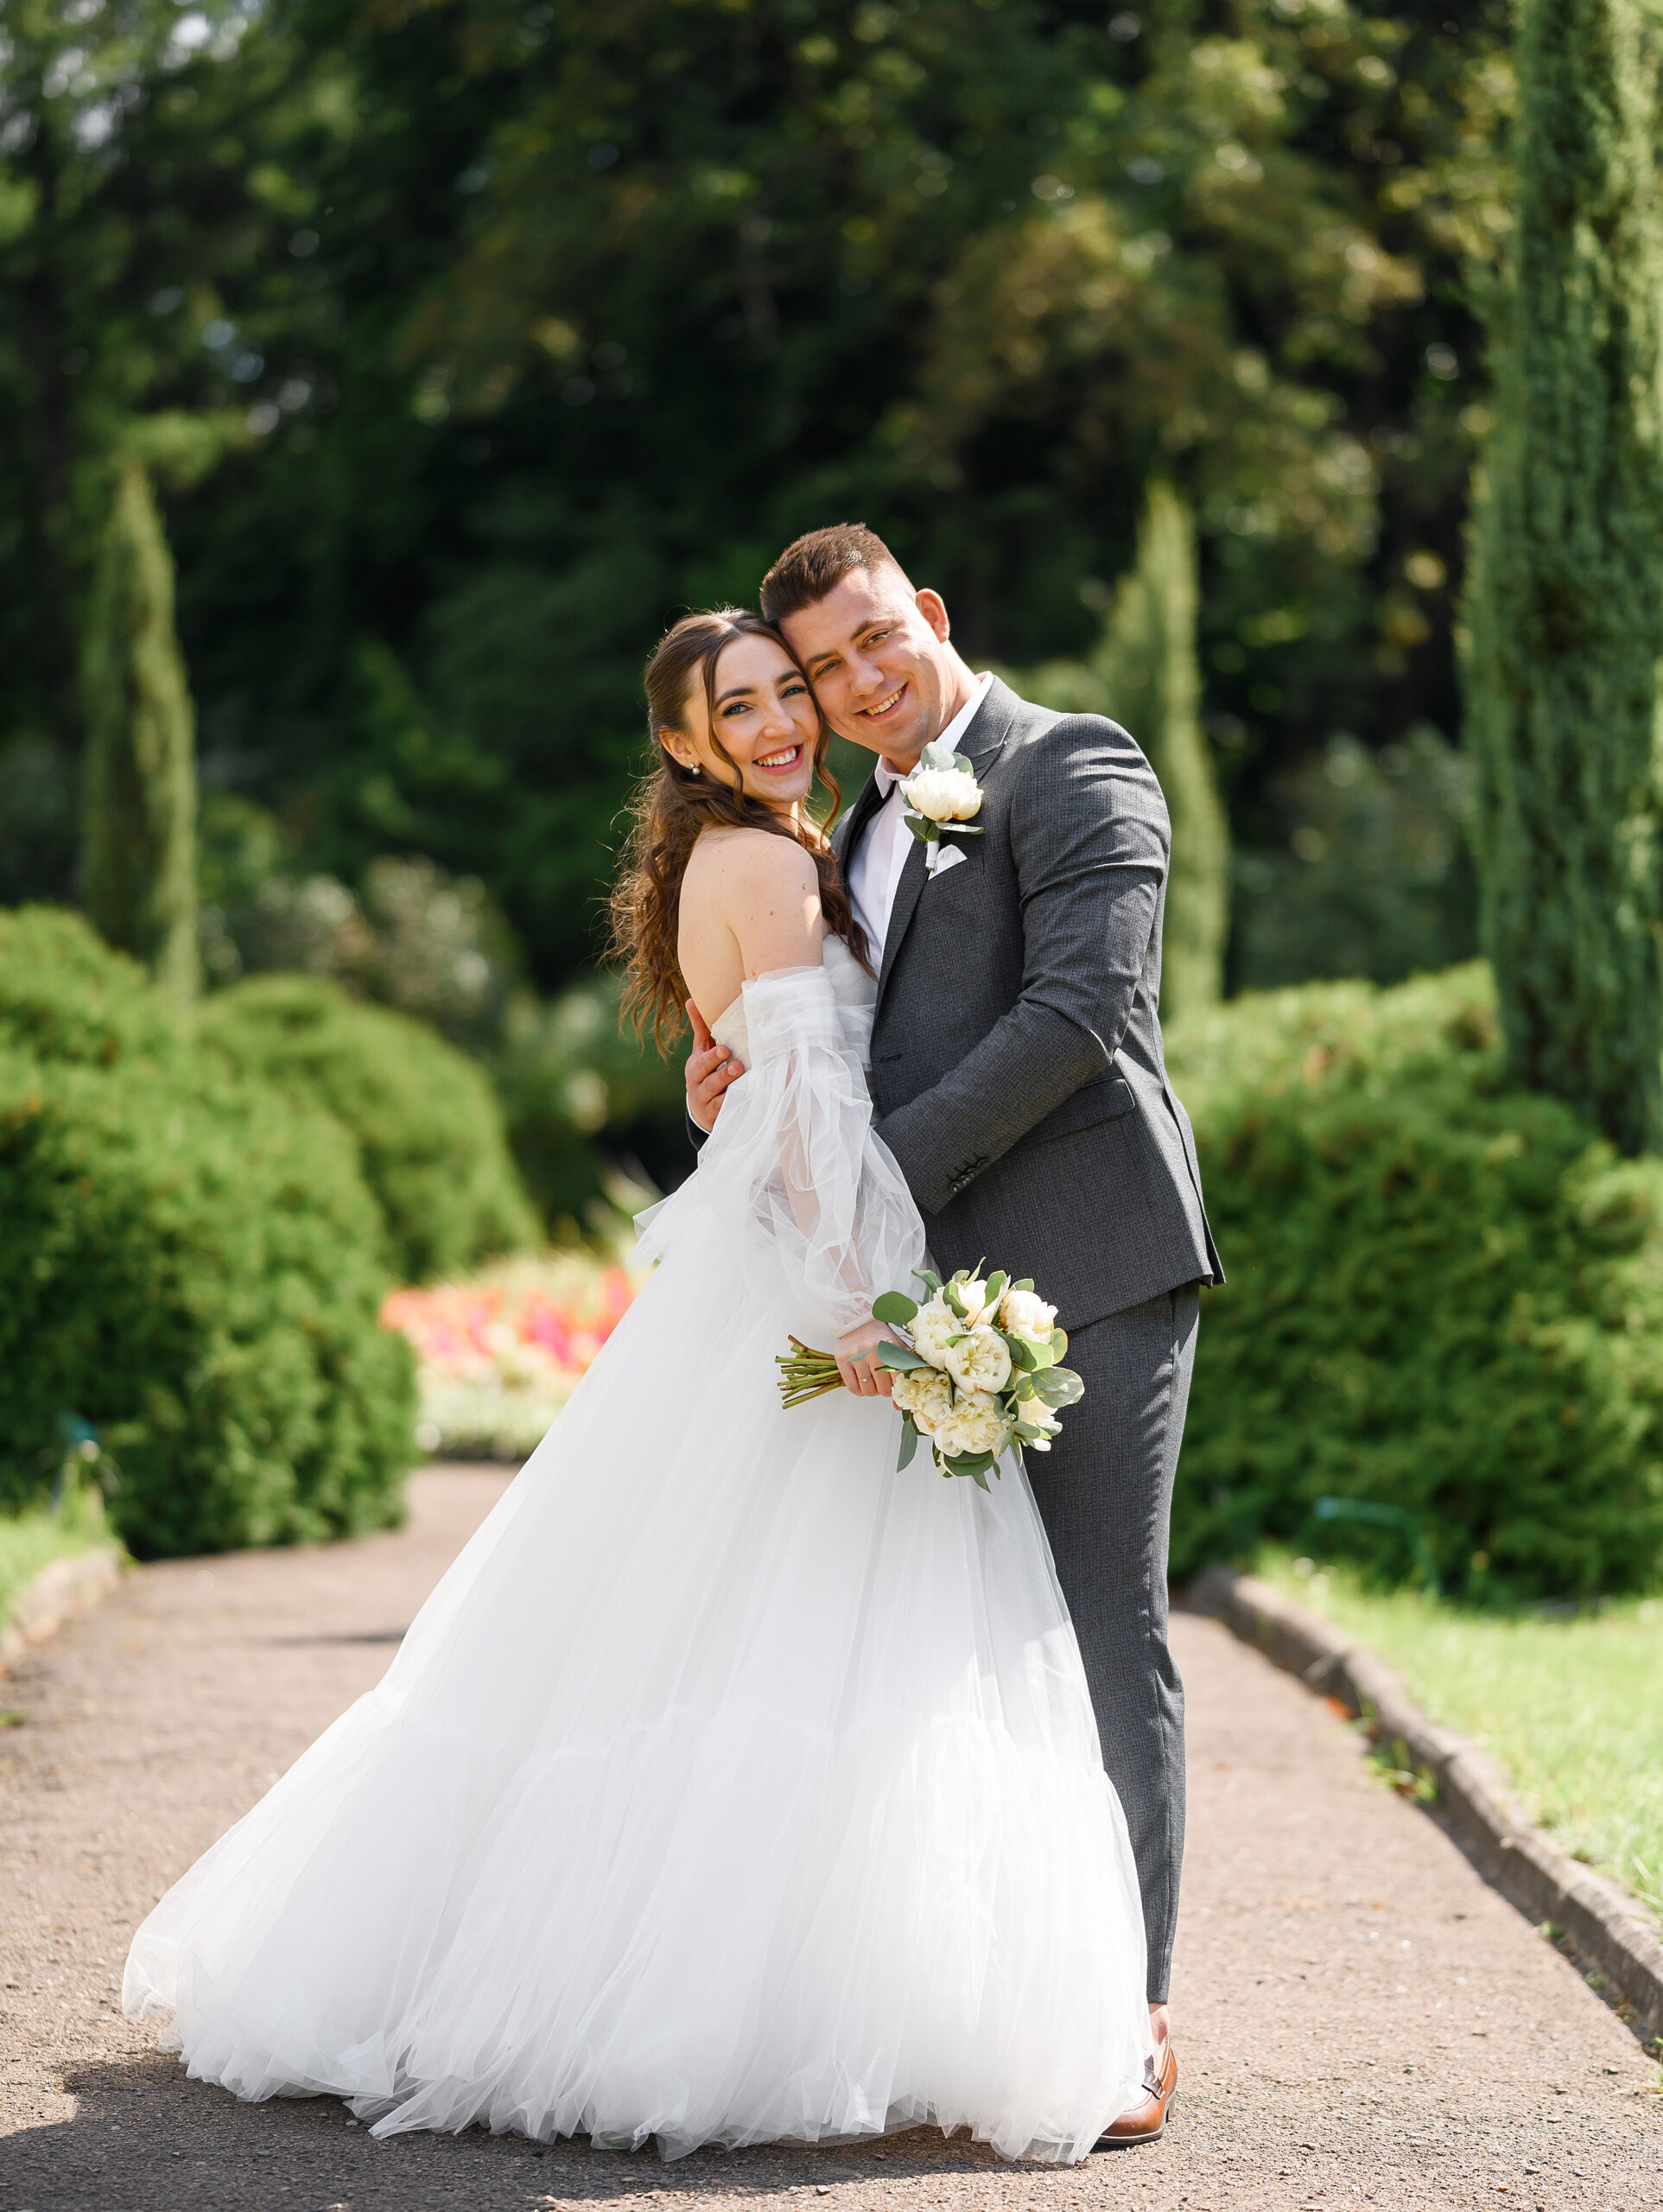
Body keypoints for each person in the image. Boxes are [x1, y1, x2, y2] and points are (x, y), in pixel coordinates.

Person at [124, 607, 1152, 2163]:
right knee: (800, 1645)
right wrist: (869, 1310)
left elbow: (788, 1070)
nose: (777, 720)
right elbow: (805, 1108)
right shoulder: (765, 860)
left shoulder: (825, 835)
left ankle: (828, 1991)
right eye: (733, 708)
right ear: (684, 745)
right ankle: (704, 2005)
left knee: (778, 1645)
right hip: (818, 1286)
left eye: (783, 691)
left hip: (811, 1265)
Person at [686, 531, 1222, 2146]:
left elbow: (1082, 1015)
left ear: (928, 612)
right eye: (820, 675)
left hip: (1084, 1261)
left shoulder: (1074, 763)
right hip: (918, 1292)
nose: (854, 688)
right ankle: (995, 1999)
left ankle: (1127, 2017)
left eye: (868, 646)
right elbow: (830, 1034)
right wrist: (741, 1095)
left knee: (1096, 1622)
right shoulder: (846, 820)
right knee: (953, 1640)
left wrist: (873, 1178)